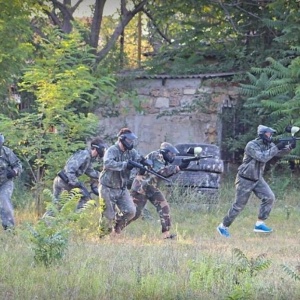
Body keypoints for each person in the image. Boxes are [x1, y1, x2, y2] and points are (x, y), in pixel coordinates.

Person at [217, 125, 296, 238]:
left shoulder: (268, 145)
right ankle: (223, 226)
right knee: (238, 206)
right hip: (245, 179)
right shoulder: (251, 145)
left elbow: (278, 153)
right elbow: (263, 157)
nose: (271, 136)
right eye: (269, 134)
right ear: (263, 134)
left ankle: (260, 223)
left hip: (257, 178)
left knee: (269, 197)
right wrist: (277, 147)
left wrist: (289, 147)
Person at [125, 142, 190, 239]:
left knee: (164, 207)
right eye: (171, 154)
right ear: (164, 152)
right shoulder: (156, 155)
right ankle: (114, 228)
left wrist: (179, 167)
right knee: (135, 213)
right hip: (141, 187)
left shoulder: (162, 159)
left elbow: (163, 172)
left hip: (151, 187)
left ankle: (166, 235)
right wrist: (179, 167)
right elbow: (162, 172)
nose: (172, 156)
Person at [99, 127, 148, 235]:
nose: (131, 143)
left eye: (132, 140)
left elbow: (139, 158)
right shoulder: (112, 150)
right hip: (107, 187)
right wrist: (125, 165)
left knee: (131, 211)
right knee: (108, 216)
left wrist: (145, 163)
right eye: (129, 140)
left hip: (121, 188)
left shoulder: (131, 152)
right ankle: (102, 237)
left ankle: (117, 228)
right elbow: (108, 163)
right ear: (122, 139)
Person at [52, 137, 107, 211]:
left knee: (56, 206)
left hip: (63, 181)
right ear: (95, 148)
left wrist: (104, 176)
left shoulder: (87, 158)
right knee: (56, 207)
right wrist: (74, 182)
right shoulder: (84, 155)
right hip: (64, 181)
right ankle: (76, 217)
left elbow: (91, 172)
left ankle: (75, 218)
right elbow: (69, 168)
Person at [0, 133, 22, 230]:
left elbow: (18, 165)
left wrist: (14, 171)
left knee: (4, 200)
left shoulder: (7, 152)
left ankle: (9, 228)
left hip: (5, 182)